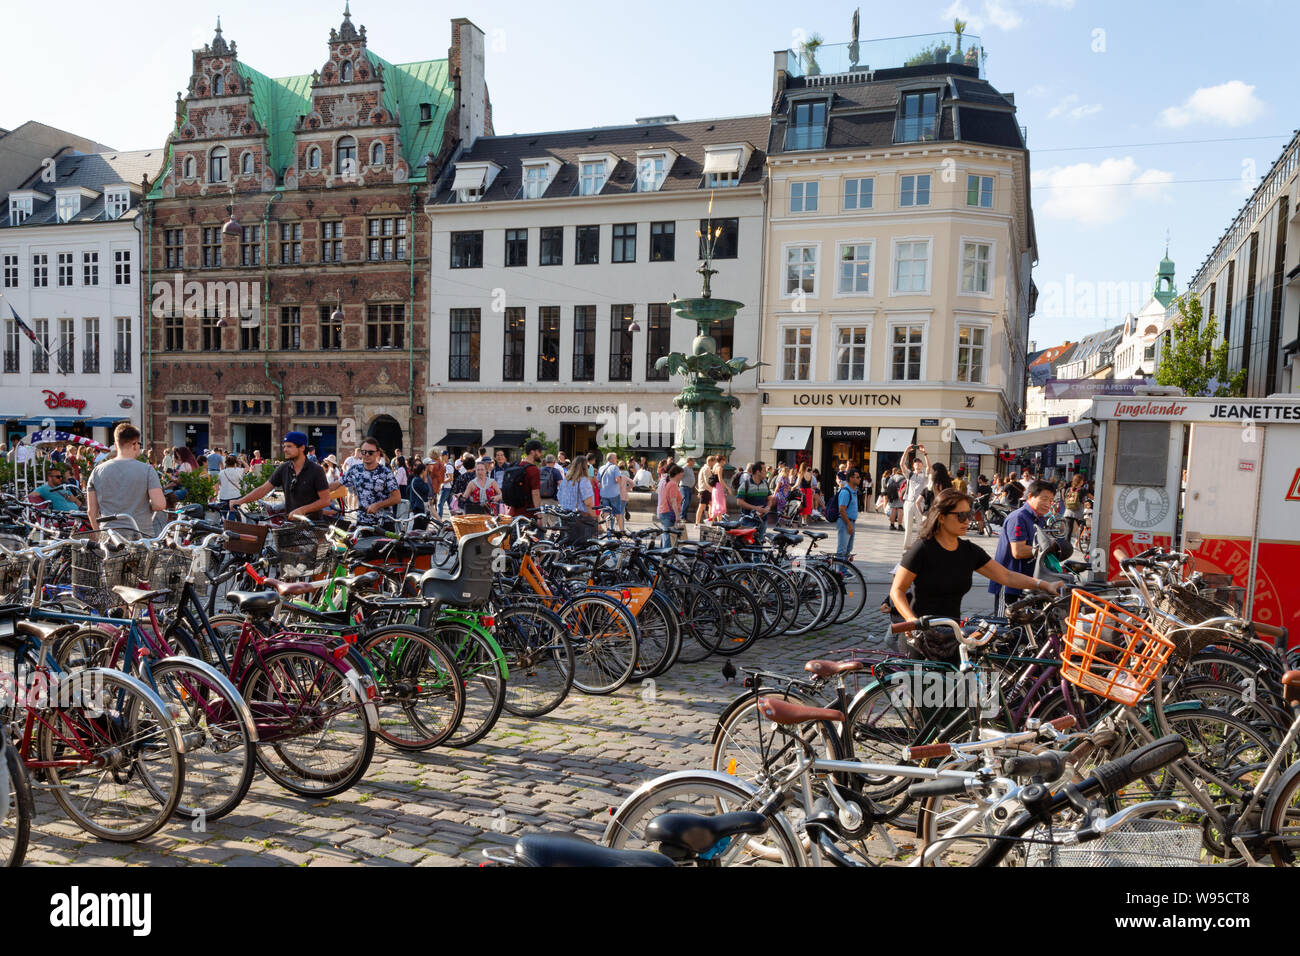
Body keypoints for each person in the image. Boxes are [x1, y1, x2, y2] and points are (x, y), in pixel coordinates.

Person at [891, 488, 1062, 663]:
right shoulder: (923, 549)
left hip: (951, 635)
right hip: (921, 635)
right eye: (961, 515)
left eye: (969, 514)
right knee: (920, 689)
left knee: (953, 687)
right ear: (941, 517)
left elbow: (1006, 576)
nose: (967, 520)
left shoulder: (969, 551)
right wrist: (911, 620)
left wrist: (1044, 584)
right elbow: (897, 590)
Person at [988, 479, 1058, 612]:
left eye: (1051, 500)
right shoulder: (1019, 517)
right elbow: (1018, 551)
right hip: (1009, 582)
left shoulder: (1039, 518)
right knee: (1006, 626)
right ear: (1030, 496)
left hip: (1026, 581)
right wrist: (1047, 549)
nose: (1048, 504)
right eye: (1044, 499)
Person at [86, 423, 166, 539]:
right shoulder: (147, 470)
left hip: (110, 536)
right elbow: (159, 504)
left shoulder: (97, 471)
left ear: (116, 445)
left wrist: (99, 535)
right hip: (140, 534)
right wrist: (142, 505)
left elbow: (91, 511)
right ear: (135, 445)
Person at [233, 432, 332, 521]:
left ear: (302, 447)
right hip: (290, 525)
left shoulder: (316, 470)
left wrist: (302, 510)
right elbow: (263, 489)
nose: (285, 449)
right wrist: (240, 501)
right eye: (284, 446)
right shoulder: (283, 468)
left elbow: (325, 500)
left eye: (289, 446)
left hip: (313, 526)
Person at [330, 438, 401, 524]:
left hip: (383, 524)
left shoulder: (386, 472)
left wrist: (377, 505)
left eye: (370, 452)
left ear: (377, 453)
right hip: (362, 522)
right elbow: (336, 484)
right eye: (364, 452)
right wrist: (317, 490)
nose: (367, 454)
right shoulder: (355, 470)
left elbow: (396, 498)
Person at [557, 457, 599, 544]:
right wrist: (594, 517)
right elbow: (588, 503)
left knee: (568, 544)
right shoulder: (584, 481)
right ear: (585, 468)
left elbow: (559, 497)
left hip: (565, 516)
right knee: (582, 546)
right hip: (580, 519)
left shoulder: (565, 481)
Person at [503, 439, 544, 519]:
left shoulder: (517, 465)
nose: (541, 454)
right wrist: (539, 516)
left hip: (513, 512)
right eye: (539, 451)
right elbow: (535, 493)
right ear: (532, 452)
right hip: (528, 514)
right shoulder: (534, 470)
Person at [900, 444, 930, 549]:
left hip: (920, 503)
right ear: (913, 466)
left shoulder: (924, 476)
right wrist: (906, 451)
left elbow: (929, 467)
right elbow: (901, 464)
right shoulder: (910, 474)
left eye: (919, 462)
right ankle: (907, 546)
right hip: (908, 502)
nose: (917, 464)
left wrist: (925, 453)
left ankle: (920, 546)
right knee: (908, 526)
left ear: (922, 465)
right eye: (915, 463)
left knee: (920, 526)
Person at [597, 452, 626, 531]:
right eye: (616, 458)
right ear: (612, 459)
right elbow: (617, 479)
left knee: (606, 511)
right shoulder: (615, 467)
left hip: (604, 494)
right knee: (617, 512)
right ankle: (621, 530)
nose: (616, 460)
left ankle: (607, 530)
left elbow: (597, 480)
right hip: (614, 494)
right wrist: (620, 483)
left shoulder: (601, 468)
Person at [836, 468, 861, 560]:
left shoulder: (854, 491)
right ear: (851, 478)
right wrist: (849, 524)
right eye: (857, 477)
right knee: (842, 549)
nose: (859, 479)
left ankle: (844, 571)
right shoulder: (845, 492)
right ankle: (838, 571)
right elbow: (842, 510)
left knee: (848, 549)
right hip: (845, 522)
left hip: (850, 522)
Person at [657, 464, 684, 548]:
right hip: (669, 513)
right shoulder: (672, 484)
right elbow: (673, 501)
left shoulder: (667, 482)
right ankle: (666, 559)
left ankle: (664, 559)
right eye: (682, 474)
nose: (682, 476)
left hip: (664, 512)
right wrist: (677, 516)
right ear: (678, 474)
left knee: (666, 537)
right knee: (668, 539)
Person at [217, 454, 246, 518]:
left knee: (223, 515)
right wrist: (242, 461)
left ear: (226, 463)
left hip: (223, 496)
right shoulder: (238, 470)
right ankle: (230, 526)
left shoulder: (221, 473)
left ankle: (224, 525)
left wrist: (216, 494)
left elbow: (218, 484)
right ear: (235, 463)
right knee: (232, 513)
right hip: (235, 495)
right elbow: (248, 468)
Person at [1063, 473, 1087, 546]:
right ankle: (1077, 541)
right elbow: (1085, 500)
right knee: (1083, 526)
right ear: (1080, 481)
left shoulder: (1068, 489)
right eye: (1082, 480)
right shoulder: (1082, 490)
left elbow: (1065, 500)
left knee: (1068, 530)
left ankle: (1066, 546)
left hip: (1068, 512)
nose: (1083, 482)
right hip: (1078, 512)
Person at [679, 457, 696, 521]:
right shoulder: (684, 468)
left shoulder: (690, 468)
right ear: (689, 461)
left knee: (688, 503)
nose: (694, 463)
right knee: (685, 502)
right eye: (693, 461)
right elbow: (680, 476)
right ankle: (682, 517)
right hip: (684, 487)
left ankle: (685, 517)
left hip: (689, 488)